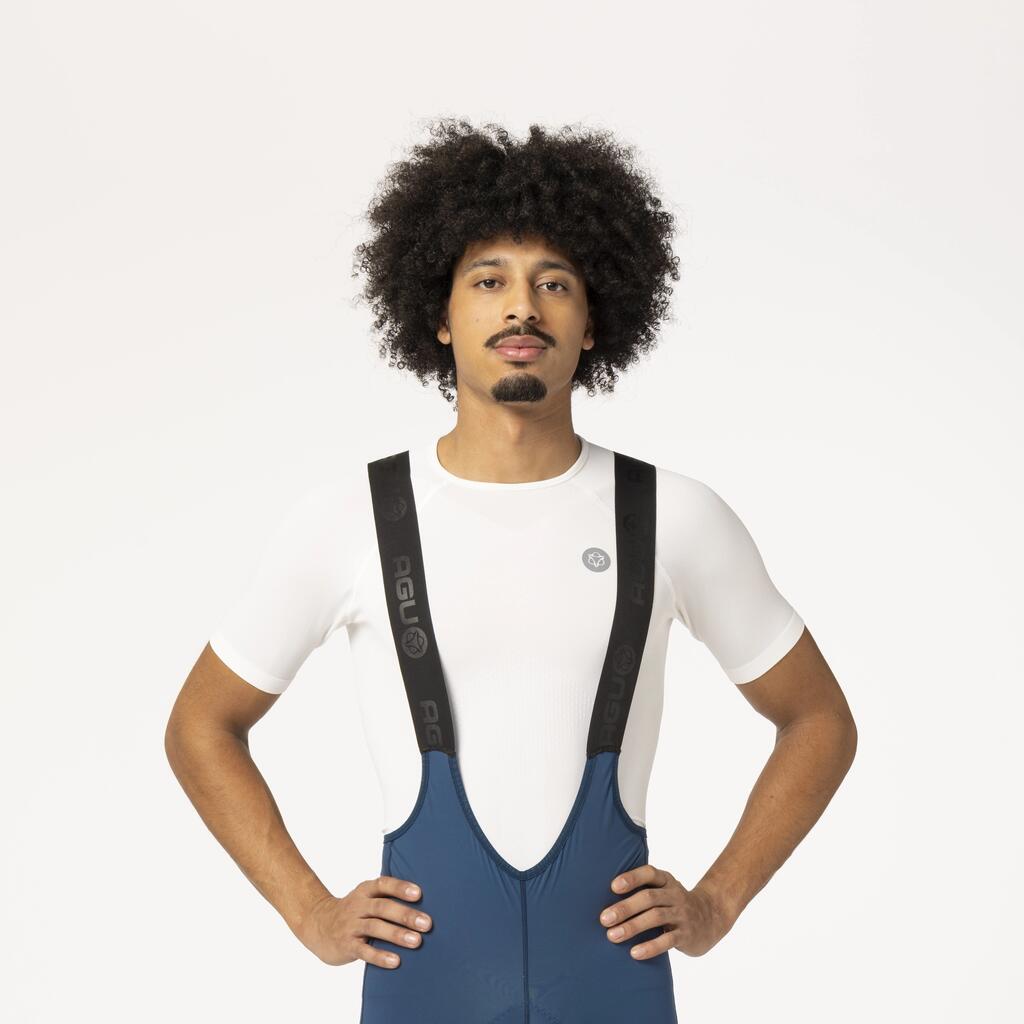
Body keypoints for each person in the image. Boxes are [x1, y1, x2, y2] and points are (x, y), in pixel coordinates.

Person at [165, 119, 857, 1023]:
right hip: (425, 980)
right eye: (489, 281)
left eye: (554, 284)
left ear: (593, 321)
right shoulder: (352, 518)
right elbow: (201, 724)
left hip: (611, 981)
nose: (521, 308)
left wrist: (717, 903)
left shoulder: (673, 516)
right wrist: (310, 912)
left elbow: (818, 720)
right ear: (440, 317)